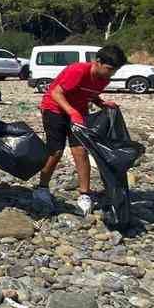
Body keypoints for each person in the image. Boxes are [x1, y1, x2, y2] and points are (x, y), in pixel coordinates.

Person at [36, 43, 125, 215]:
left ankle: (85, 194)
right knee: (56, 151)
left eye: (114, 70)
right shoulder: (77, 71)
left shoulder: (104, 79)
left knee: (81, 151)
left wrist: (101, 103)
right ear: (97, 62)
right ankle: (42, 188)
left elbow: (88, 93)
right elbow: (55, 93)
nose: (111, 73)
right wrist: (71, 112)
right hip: (54, 109)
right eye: (109, 69)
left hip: (77, 112)